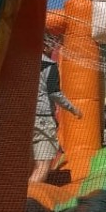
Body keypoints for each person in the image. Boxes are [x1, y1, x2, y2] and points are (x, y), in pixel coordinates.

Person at [31, 52, 83, 183]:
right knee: (42, 165)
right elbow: (54, 93)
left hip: (20, 117)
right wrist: (73, 109)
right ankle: (26, 199)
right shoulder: (49, 64)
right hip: (42, 118)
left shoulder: (21, 60)